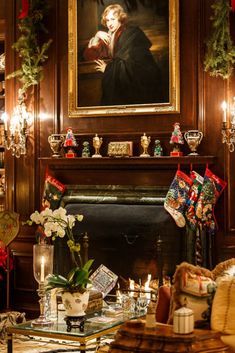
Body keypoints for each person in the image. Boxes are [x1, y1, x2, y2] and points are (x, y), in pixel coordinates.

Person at [83, 4, 163, 106]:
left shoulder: (130, 33)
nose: (109, 23)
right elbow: (89, 57)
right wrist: (97, 37)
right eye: (107, 20)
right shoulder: (108, 36)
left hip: (143, 80)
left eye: (113, 19)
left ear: (120, 19)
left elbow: (133, 65)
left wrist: (108, 69)